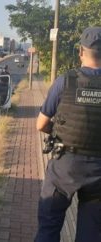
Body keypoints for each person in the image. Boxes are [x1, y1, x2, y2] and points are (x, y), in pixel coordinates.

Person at [35, 27, 101, 242]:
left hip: (65, 167)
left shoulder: (66, 81)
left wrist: (60, 130)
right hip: (98, 172)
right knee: (91, 233)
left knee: (49, 228)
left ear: (81, 52)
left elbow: (41, 124)